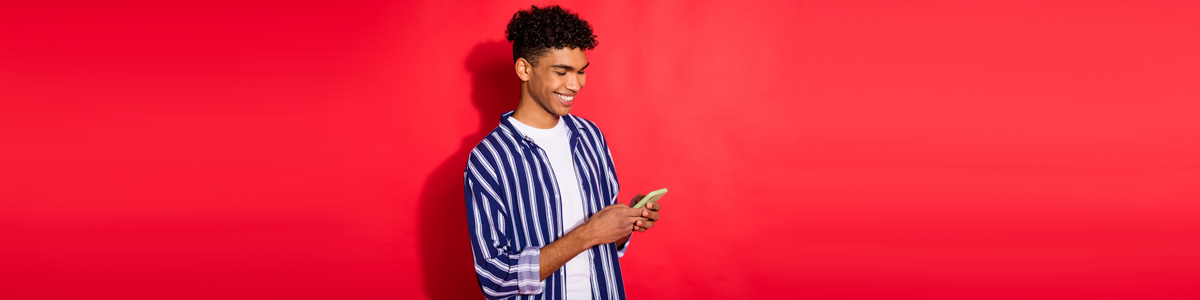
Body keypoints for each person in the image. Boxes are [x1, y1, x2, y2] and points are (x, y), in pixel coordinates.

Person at [463, 5, 663, 300]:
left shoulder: (591, 137)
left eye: (581, 71)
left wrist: (625, 224)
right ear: (524, 69)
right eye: (562, 72)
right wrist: (587, 235)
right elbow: (495, 279)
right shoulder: (489, 160)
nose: (575, 84)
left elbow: (604, 242)